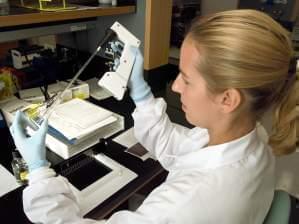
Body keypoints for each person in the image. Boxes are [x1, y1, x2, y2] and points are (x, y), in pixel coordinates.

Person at [9, 9, 296, 224]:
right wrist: (142, 92)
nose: (174, 86)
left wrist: (39, 172)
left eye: (186, 78)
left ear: (228, 99)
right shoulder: (252, 136)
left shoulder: (184, 206)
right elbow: (178, 148)